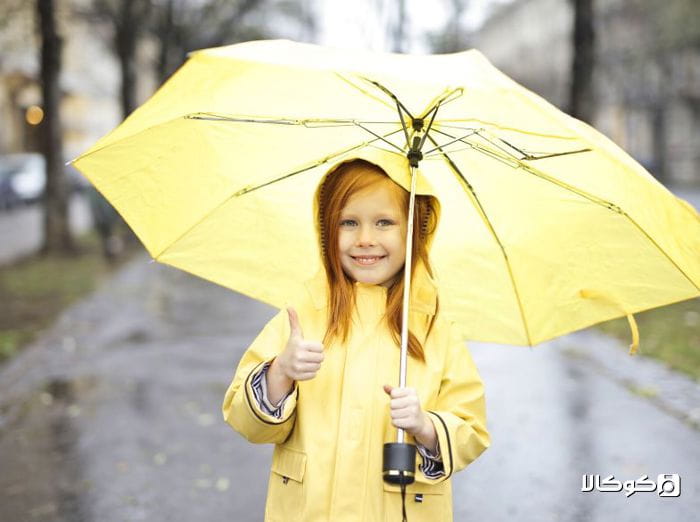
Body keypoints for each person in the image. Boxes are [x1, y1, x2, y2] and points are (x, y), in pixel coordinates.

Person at [222, 157, 490, 521]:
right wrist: (280, 372)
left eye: (384, 223)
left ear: (413, 231)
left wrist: (426, 427)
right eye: (348, 223)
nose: (365, 239)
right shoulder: (303, 316)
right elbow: (245, 420)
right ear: (326, 231)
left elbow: (471, 430)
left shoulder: (433, 329)